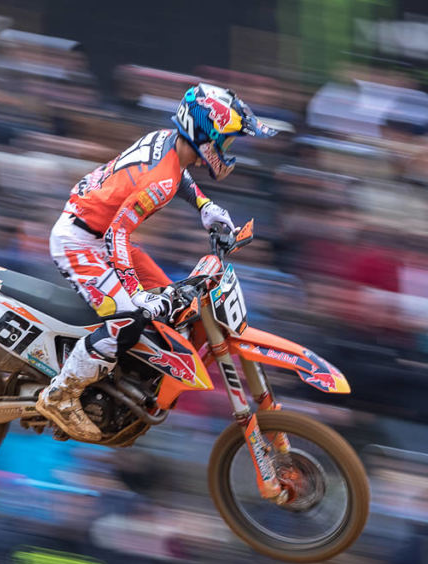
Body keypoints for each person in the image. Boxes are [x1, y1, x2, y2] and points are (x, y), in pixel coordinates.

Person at [35, 83, 276, 440]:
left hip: (98, 235)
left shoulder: (167, 142)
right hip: (81, 243)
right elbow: (118, 233)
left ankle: (122, 381)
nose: (227, 150)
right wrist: (136, 294)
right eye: (226, 141)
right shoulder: (159, 181)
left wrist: (204, 206)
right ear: (206, 135)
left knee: (175, 307)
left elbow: (180, 176)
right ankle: (62, 394)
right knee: (129, 319)